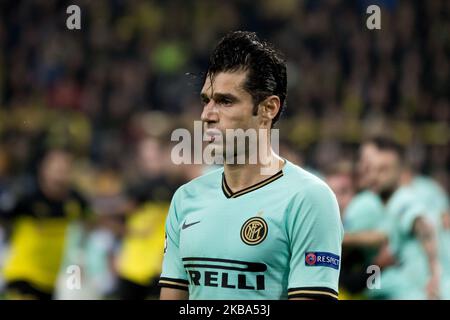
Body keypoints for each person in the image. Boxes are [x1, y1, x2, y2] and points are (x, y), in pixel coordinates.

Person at [158, 31, 343, 300]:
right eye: (205, 100)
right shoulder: (186, 198)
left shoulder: (309, 198)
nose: (207, 115)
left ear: (268, 108)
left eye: (225, 101)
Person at [0, 149, 90, 299]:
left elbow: (94, 220)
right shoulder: (26, 199)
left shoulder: (75, 201)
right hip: (23, 276)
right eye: (57, 168)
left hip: (50, 281)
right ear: (43, 169)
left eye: (66, 169)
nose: (61, 174)